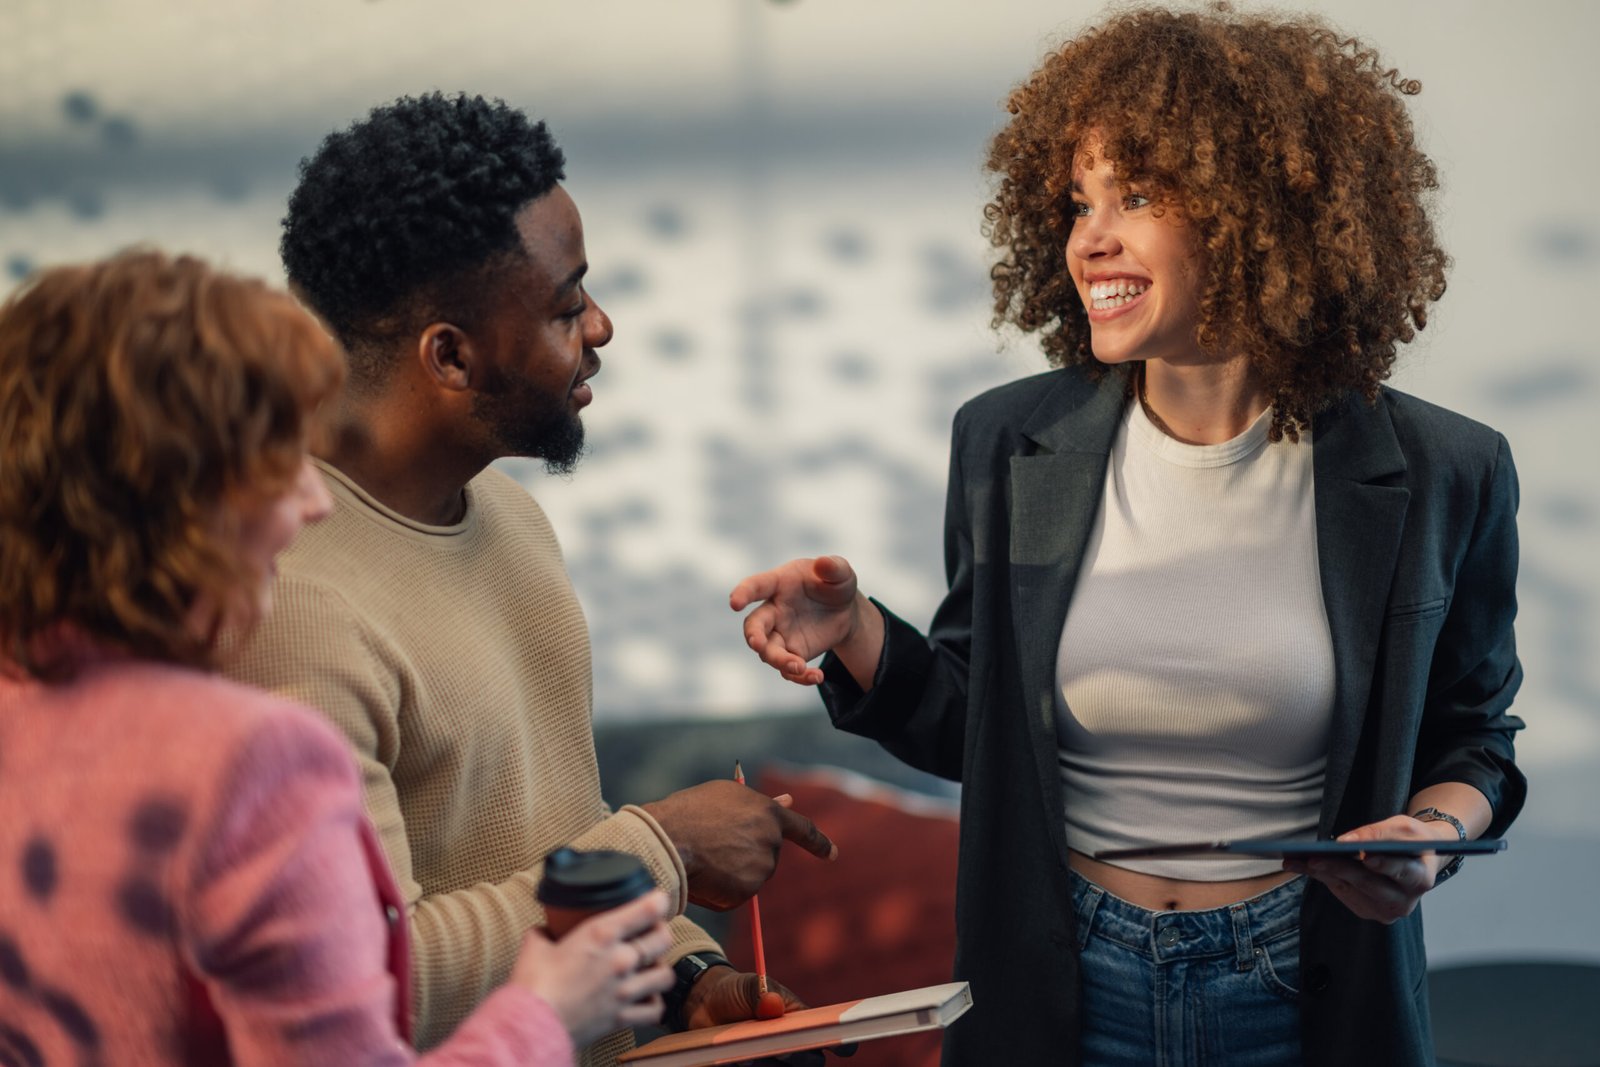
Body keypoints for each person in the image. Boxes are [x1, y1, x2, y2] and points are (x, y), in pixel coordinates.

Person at [731, 7, 1525, 1066]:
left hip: (1303, 979)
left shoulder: (1438, 469)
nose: (1088, 239)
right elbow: (980, 726)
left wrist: (1433, 832)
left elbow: (1474, 737)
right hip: (1062, 978)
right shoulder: (1008, 441)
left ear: (1262, 213)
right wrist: (858, 628)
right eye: (1076, 203)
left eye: (1137, 197)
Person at [222, 92, 836, 1063]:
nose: (601, 326)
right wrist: (661, 856)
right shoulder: (285, 605)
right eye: (563, 306)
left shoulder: (509, 517)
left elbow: (543, 839)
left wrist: (683, 978)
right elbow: (364, 980)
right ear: (451, 357)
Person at [0, 249, 676, 1065]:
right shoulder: (253, 759)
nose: (315, 501)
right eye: (281, 462)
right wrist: (547, 1009)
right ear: (180, 497)